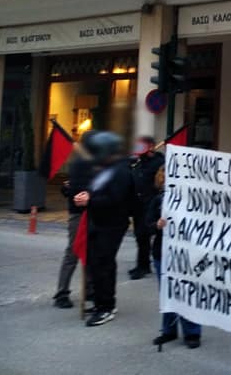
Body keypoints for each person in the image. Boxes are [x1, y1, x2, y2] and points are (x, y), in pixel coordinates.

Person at [73, 131, 136, 327]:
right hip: (97, 220)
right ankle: (103, 302)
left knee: (103, 264)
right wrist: (85, 195)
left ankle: (106, 307)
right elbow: (96, 190)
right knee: (97, 264)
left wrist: (90, 200)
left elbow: (116, 199)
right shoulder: (105, 169)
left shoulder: (121, 171)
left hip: (112, 223)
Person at [147, 166, 201, 348]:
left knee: (186, 292)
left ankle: (192, 332)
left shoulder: (192, 200)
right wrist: (157, 225)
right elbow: (147, 225)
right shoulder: (157, 201)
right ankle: (169, 330)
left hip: (185, 253)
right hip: (162, 253)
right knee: (167, 293)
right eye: (164, 180)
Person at [53, 141, 94, 309]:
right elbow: (76, 189)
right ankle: (62, 293)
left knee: (90, 251)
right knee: (73, 252)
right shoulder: (79, 164)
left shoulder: (94, 164)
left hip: (92, 212)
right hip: (78, 214)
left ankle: (89, 288)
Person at [129, 136, 164, 280]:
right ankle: (143, 264)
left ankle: (143, 266)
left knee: (144, 235)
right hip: (138, 205)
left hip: (151, 205)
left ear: (151, 147)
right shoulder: (138, 162)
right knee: (140, 236)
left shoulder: (159, 162)